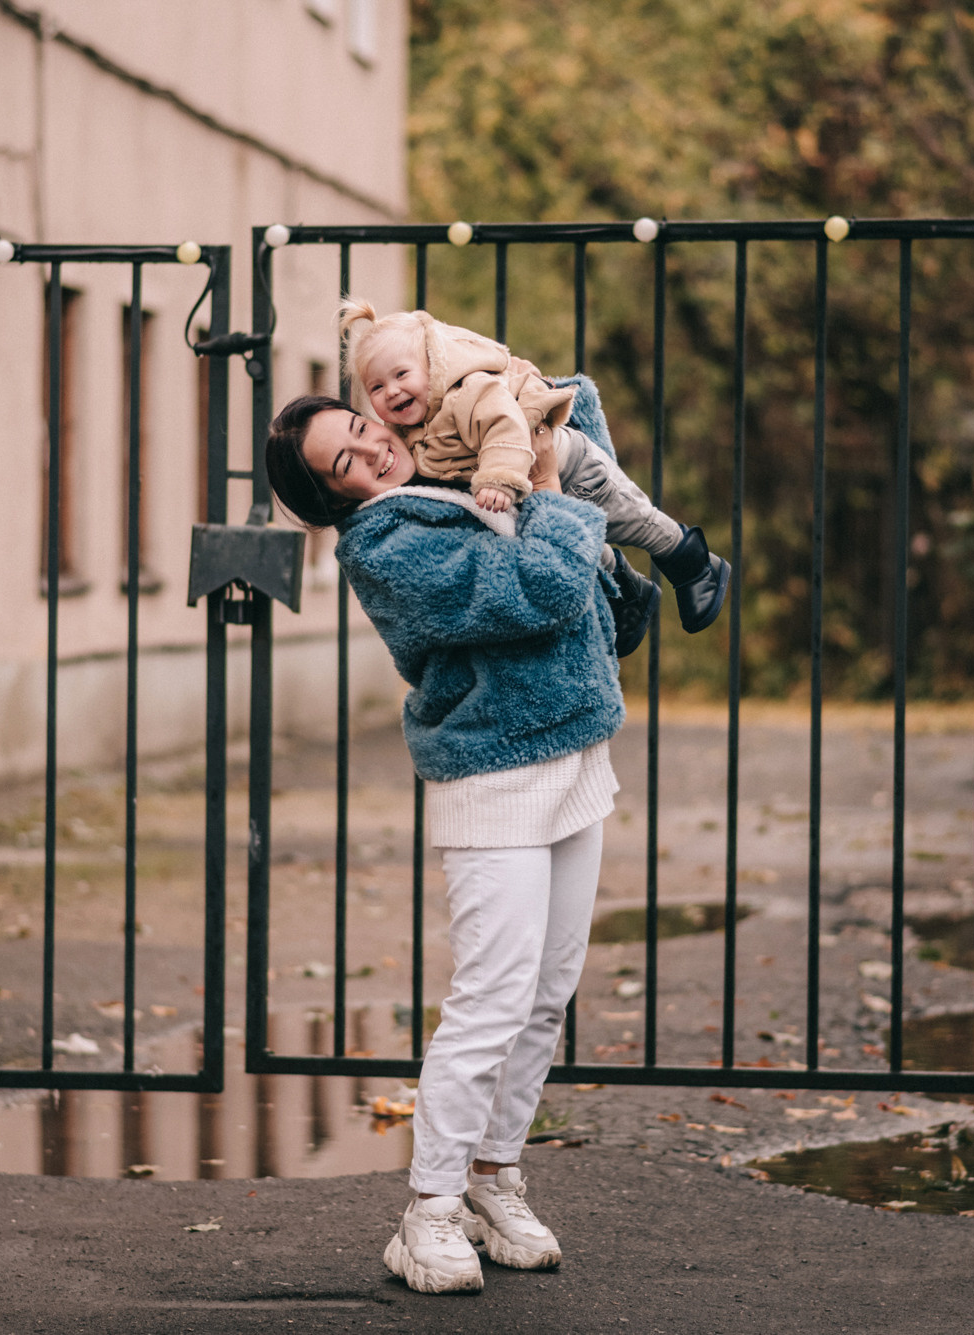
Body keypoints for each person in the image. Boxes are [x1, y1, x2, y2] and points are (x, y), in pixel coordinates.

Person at [265, 393, 625, 1295]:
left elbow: (569, 421)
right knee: (492, 998)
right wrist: (547, 486)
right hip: (495, 775)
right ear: (332, 497)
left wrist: (515, 405)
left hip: (579, 747)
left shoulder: (458, 466)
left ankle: (494, 1178)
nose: (373, 448)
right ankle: (427, 1211)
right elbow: (541, 591)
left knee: (548, 992)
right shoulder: (383, 546)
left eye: (363, 426)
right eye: (344, 460)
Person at [339, 297, 730, 636]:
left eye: (402, 375)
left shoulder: (469, 392)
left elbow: (504, 428)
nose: (391, 391)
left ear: (434, 366)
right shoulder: (411, 430)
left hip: (572, 468)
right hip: (525, 491)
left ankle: (694, 563)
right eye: (376, 387)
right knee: (580, 541)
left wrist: (496, 479)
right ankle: (630, 592)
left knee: (632, 521)